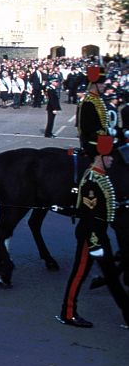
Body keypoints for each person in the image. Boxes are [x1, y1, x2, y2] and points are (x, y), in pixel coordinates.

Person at [57, 134, 129, 329]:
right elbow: (88, 216)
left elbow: (104, 205)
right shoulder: (92, 181)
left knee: (112, 276)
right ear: (101, 157)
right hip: (91, 236)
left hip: (99, 233)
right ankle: (68, 313)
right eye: (110, 156)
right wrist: (95, 244)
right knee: (79, 274)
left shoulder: (100, 176)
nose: (113, 159)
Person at [76, 65, 113, 155]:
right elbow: (87, 127)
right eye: (102, 83)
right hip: (93, 143)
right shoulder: (88, 102)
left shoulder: (97, 99)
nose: (104, 86)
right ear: (94, 85)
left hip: (101, 140)